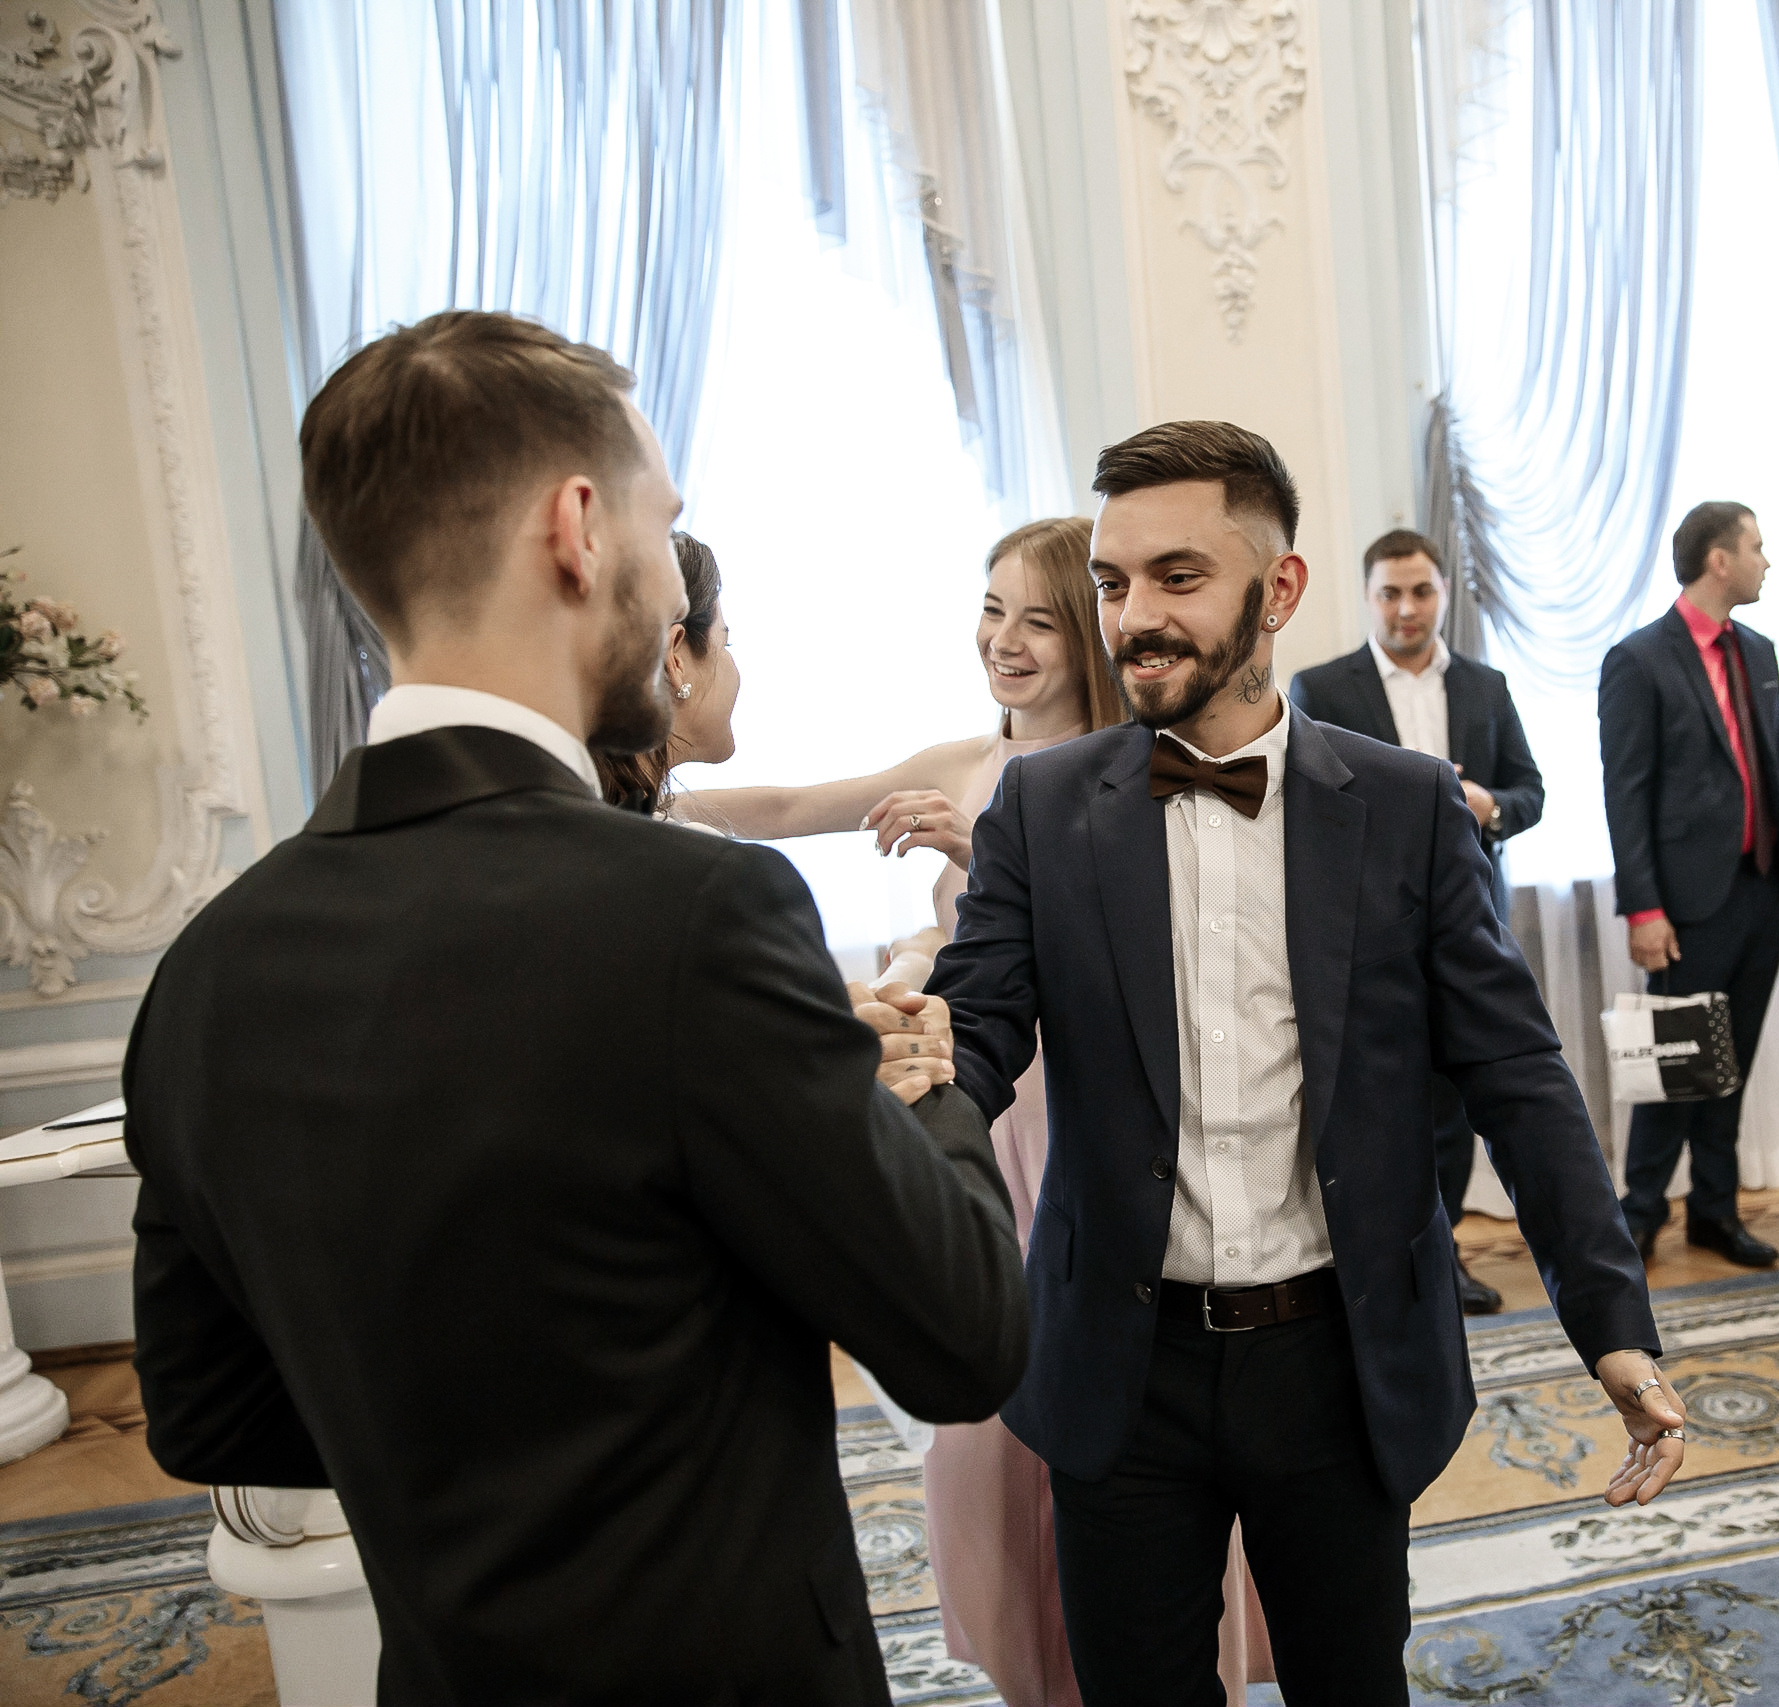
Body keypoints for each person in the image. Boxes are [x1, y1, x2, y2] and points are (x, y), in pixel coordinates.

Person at [121, 310, 1029, 1706]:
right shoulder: (693, 915)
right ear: (579, 527)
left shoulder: (205, 973)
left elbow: (213, 1410)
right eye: (668, 526)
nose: (674, 587)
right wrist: (934, 1090)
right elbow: (967, 1336)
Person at [929, 421, 1685, 1702]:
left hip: (1339, 1364)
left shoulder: (1403, 806)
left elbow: (1516, 1073)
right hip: (1119, 1362)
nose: (1133, 618)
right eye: (1113, 584)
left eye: (1178, 576)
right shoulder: (1039, 809)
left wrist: (1612, 1324)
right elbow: (975, 1040)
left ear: (1277, 589)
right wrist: (900, 1105)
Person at [669, 518, 1276, 1703]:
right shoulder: (959, 756)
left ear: (1090, 634)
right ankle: (1035, 1661)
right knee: (992, 1414)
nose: (1003, 641)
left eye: (1037, 619)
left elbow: (1158, 959)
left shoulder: (1139, 763)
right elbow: (791, 803)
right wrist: (631, 804)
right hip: (989, 1122)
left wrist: (1003, 859)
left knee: (1130, 1400)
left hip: (1101, 1121)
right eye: (991, 610)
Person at [1288, 526, 1546, 1312]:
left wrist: (1486, 804)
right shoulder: (1319, 689)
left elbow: (1531, 792)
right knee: (1376, 1106)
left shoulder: (1485, 686)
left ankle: (1446, 1256)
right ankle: (1373, 1258)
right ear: (1368, 599)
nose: (1407, 608)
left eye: (1421, 590)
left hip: (1468, 929)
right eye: (1391, 593)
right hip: (1363, 935)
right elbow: (1302, 810)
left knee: (1454, 1105)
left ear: (1442, 594)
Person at [1600, 501, 1779, 1269]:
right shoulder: (1638, 659)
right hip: (1683, 906)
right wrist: (1643, 906)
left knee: (1728, 1068)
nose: (1767, 561)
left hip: (1760, 891)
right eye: (1757, 547)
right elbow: (1624, 793)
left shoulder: (1759, 653)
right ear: (1719, 560)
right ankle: (1638, 1214)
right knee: (1674, 1068)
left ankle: (1715, 1211)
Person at [593, 529, 738, 816]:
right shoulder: (667, 847)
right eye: (725, 643)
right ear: (675, 658)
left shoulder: (589, 799)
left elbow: (781, 810)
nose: (732, 663)